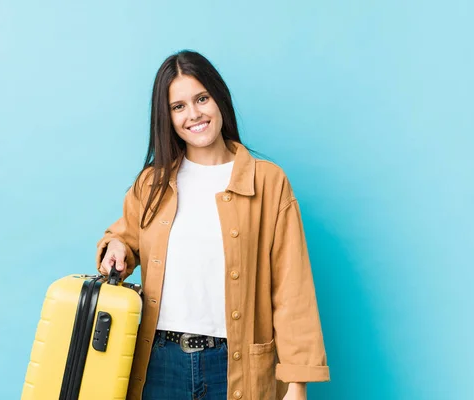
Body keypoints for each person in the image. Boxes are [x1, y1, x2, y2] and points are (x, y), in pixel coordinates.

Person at [96, 50, 329, 400]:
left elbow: (292, 289)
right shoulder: (152, 183)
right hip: (159, 364)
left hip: (234, 366)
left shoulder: (268, 182)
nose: (194, 114)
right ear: (168, 117)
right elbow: (125, 236)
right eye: (179, 106)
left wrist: (297, 383)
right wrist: (116, 246)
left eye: (201, 98)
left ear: (219, 99)